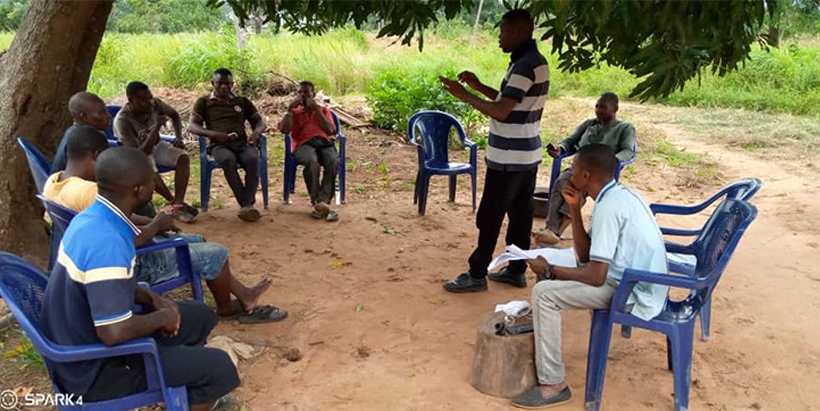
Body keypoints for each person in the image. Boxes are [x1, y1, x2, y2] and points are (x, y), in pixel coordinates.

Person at [39, 146, 239, 411]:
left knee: (199, 314)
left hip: (79, 336)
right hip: (94, 371)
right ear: (140, 191)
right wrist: (161, 318)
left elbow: (108, 283)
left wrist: (152, 298)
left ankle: (181, 384)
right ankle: (184, 388)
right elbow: (113, 332)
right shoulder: (108, 243)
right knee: (219, 366)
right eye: (152, 181)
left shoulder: (93, 217)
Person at [43, 126, 287, 324]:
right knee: (217, 253)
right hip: (137, 261)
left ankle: (243, 294)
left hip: (115, 253)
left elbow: (115, 218)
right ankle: (227, 307)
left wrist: (154, 221)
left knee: (200, 241)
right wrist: (154, 226)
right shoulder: (89, 191)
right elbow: (123, 242)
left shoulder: (55, 183)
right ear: (96, 157)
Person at [510, 145, 669, 409]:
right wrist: (574, 209)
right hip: (635, 282)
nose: (569, 175)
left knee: (544, 292)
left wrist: (549, 270)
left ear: (585, 176)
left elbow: (596, 276)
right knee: (552, 277)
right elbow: (585, 256)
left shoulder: (608, 208)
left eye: (573, 170)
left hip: (633, 293)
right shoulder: (617, 196)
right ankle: (542, 340)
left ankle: (553, 385)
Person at [438, 9, 549, 292]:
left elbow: (501, 111)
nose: (498, 38)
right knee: (520, 217)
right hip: (526, 156)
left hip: (509, 158)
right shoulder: (531, 62)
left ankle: (477, 274)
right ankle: (515, 270)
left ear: (517, 32)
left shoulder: (526, 65)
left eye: (501, 32)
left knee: (490, 216)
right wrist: (478, 86)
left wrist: (465, 95)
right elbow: (510, 102)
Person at [533, 92, 637, 245]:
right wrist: (560, 149)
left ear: (615, 108)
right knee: (561, 182)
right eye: (597, 106)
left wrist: (608, 161)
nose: (598, 110)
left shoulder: (625, 128)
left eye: (603, 107)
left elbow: (628, 151)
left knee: (579, 187)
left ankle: (557, 232)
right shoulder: (589, 124)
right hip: (579, 168)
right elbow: (570, 141)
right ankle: (552, 229)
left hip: (601, 173)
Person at [52, 91, 157, 218]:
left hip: (75, 198)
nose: (108, 116)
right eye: (101, 113)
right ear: (83, 116)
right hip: (82, 200)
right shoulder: (84, 142)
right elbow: (118, 214)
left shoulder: (77, 134)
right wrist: (154, 224)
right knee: (141, 204)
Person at [188, 68, 267, 222]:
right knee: (227, 160)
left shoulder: (241, 101)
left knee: (252, 159)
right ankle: (246, 204)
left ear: (233, 84)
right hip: (219, 145)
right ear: (213, 84)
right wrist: (214, 135)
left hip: (242, 144)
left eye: (227, 84)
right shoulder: (204, 102)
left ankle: (246, 206)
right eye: (220, 84)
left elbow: (259, 121)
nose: (224, 87)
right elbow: (193, 126)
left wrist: (256, 132)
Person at [114, 81, 197, 223]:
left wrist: (178, 137)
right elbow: (141, 153)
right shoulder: (123, 121)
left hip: (157, 145)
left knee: (183, 157)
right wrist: (156, 127)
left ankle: (178, 205)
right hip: (136, 155)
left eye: (150, 97)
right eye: (142, 100)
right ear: (130, 100)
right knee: (150, 171)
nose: (149, 103)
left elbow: (175, 115)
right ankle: (173, 202)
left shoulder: (155, 104)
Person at [277, 81, 339, 221]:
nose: (303, 96)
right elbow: (285, 130)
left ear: (314, 94)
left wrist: (316, 110)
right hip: (303, 144)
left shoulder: (323, 110)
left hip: (324, 143)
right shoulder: (294, 113)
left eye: (306, 92)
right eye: (299, 93)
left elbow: (331, 130)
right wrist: (289, 109)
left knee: (333, 160)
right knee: (312, 162)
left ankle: (323, 201)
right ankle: (317, 201)